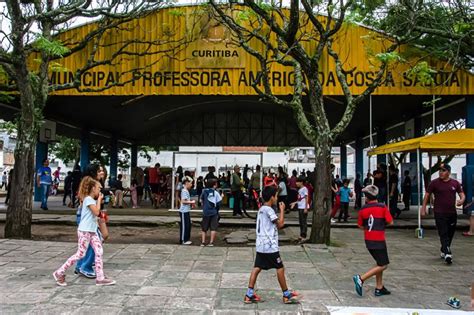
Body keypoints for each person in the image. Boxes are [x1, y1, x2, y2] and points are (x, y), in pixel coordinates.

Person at [53, 176, 115, 287]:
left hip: (92, 231)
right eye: (98, 188)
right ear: (92, 189)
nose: (100, 191)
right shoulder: (88, 199)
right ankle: (59, 272)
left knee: (99, 251)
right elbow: (96, 212)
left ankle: (100, 277)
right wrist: (100, 202)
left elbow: (97, 214)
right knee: (80, 254)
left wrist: (103, 216)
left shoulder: (92, 200)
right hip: (85, 231)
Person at [244, 186, 300, 304]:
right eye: (276, 196)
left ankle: (249, 294)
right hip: (269, 245)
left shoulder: (261, 209)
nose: (277, 198)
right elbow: (280, 224)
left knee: (257, 268)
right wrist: (282, 210)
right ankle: (286, 294)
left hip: (261, 244)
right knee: (280, 268)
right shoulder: (269, 210)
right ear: (271, 197)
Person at [353, 185, 393, 297]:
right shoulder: (382, 207)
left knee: (379, 262)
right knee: (384, 265)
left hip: (368, 240)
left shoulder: (363, 209)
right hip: (379, 239)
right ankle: (361, 278)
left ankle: (379, 287)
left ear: (366, 197)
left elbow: (360, 225)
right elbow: (390, 222)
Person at [421, 163, 465, 264]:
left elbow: (462, 194)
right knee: (443, 232)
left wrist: (461, 200)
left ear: (448, 172)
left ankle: (444, 248)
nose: (441, 173)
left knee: (450, 232)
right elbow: (427, 195)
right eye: (440, 171)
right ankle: (448, 253)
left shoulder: (455, 183)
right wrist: (423, 208)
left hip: (452, 212)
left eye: (444, 170)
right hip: (439, 212)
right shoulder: (434, 183)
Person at [75, 164, 110, 279]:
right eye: (99, 171)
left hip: (94, 215)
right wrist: (100, 211)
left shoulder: (96, 184)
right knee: (94, 242)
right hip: (90, 217)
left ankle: (81, 266)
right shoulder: (90, 185)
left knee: (89, 243)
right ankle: (86, 267)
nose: (102, 172)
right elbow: (92, 206)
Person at [200, 178, 222, 246]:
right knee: (213, 228)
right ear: (214, 185)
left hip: (205, 212)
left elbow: (201, 201)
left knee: (204, 228)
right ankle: (211, 242)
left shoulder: (204, 191)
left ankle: (203, 242)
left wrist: (204, 207)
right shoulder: (216, 193)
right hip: (213, 212)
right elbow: (218, 203)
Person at [290, 176, 309, 244]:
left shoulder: (304, 189)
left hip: (303, 207)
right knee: (301, 221)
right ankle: (301, 234)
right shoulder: (300, 190)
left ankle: (304, 235)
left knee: (303, 222)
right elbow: (300, 199)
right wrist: (294, 203)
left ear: (301, 182)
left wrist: (306, 208)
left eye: (297, 182)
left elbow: (306, 198)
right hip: (300, 206)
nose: (296, 183)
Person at [179, 176, 195, 245]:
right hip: (183, 211)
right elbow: (183, 201)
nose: (191, 185)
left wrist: (191, 203)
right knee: (185, 226)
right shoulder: (184, 191)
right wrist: (191, 202)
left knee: (188, 225)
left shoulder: (186, 191)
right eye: (190, 183)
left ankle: (186, 239)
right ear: (186, 183)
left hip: (186, 210)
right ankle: (183, 240)